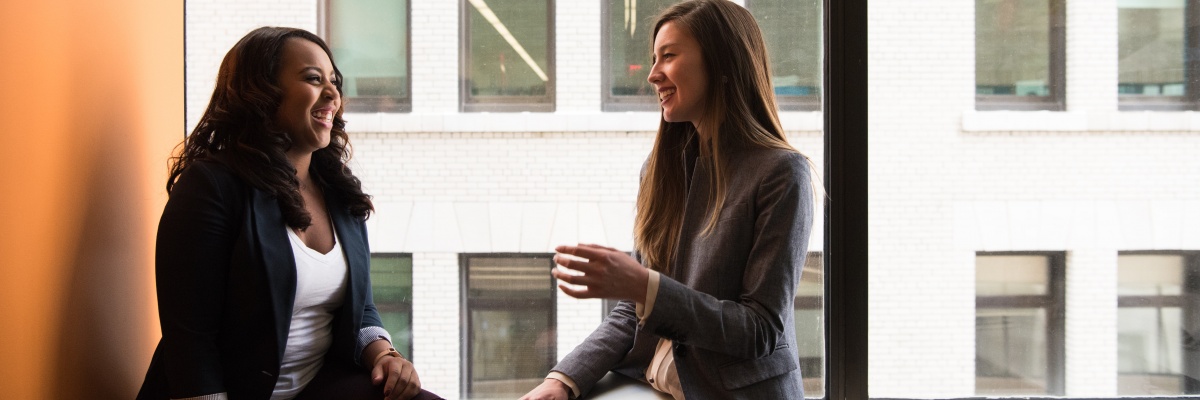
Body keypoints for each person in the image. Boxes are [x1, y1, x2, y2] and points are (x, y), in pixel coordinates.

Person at [521, 0, 815, 399]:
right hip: (650, 386)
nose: (653, 75)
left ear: (721, 62)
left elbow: (759, 330)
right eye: (653, 58)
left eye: (669, 56)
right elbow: (633, 312)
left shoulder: (781, 173)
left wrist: (645, 286)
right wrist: (562, 380)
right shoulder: (661, 170)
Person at [137, 27, 439, 400]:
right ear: (261, 93)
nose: (333, 94)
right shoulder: (211, 187)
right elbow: (191, 342)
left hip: (319, 386)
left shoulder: (338, 190)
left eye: (335, 81)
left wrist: (386, 354)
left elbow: (358, 309)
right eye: (314, 79)